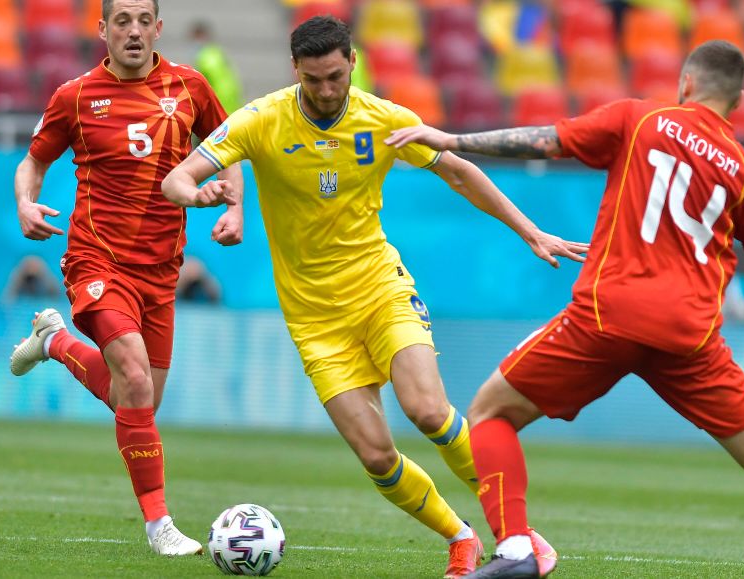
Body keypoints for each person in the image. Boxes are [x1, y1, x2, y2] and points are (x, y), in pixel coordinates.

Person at [386, 40, 744, 579]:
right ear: (739, 100)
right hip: (691, 337)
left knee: (492, 412)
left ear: (686, 83)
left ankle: (515, 551)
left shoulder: (640, 118)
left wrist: (453, 139)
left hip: (610, 316)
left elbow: (546, 141)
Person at [162, 15, 585, 578]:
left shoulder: (384, 119)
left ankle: (518, 535)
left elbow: (459, 173)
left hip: (379, 288)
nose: (326, 90)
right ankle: (460, 537)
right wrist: (202, 196)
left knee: (429, 411)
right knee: (377, 456)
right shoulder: (261, 119)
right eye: (313, 79)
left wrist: (530, 231)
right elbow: (175, 179)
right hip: (314, 318)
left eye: (335, 76)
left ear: (353, 63)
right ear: (295, 70)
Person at [10, 0, 243, 557]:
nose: (133, 31)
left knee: (135, 399)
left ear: (158, 28)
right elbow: (34, 161)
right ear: (103, 30)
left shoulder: (190, 87)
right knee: (134, 380)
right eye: (122, 21)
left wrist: (235, 208)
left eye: (143, 21)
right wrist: (25, 202)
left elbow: (231, 144)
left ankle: (54, 341)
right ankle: (160, 525)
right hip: (96, 259)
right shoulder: (75, 95)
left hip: (162, 271)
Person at [189, 20, 243, 114]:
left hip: (221, 99)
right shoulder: (216, 52)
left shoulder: (205, 57)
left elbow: (207, 76)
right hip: (231, 97)